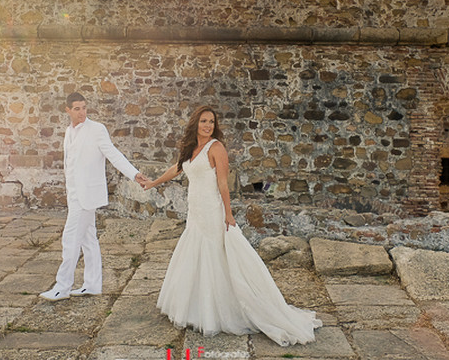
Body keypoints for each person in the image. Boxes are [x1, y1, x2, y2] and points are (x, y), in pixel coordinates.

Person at [144, 105, 321, 345]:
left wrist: (228, 213)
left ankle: (226, 310)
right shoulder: (190, 148)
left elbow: (223, 184)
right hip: (195, 212)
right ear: (195, 123)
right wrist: (153, 182)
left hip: (211, 211)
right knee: (194, 254)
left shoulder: (216, 148)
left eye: (212, 122)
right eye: (204, 121)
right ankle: (196, 306)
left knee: (215, 256)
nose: (208, 125)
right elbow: (176, 168)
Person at [40, 92, 151, 301]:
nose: (82, 112)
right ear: (68, 110)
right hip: (74, 194)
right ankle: (92, 284)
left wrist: (134, 173)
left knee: (70, 239)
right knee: (88, 240)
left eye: (84, 107)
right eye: (77, 109)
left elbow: (113, 154)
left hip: (86, 195)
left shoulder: (97, 129)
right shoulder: (68, 131)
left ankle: (62, 287)